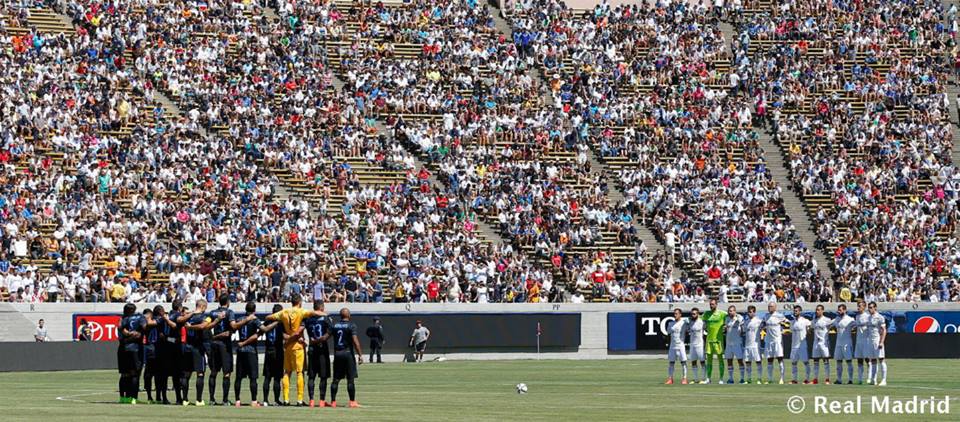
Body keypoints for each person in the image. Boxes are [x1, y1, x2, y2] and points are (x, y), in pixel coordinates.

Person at [265, 295, 327, 406]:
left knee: (287, 372)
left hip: (287, 347)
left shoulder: (283, 312)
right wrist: (325, 314)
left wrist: (280, 321)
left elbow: (268, 317)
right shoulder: (301, 311)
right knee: (299, 372)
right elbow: (316, 313)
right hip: (298, 345)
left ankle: (286, 399)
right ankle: (299, 400)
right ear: (299, 302)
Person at [208, 295, 252, 405]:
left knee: (213, 372)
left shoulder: (212, 312)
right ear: (227, 302)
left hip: (214, 344)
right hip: (224, 345)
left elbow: (206, 325)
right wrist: (246, 320)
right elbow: (234, 326)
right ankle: (225, 400)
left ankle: (212, 399)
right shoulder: (229, 312)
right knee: (226, 373)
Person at [184, 299, 224, 405]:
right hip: (197, 348)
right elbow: (203, 327)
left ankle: (185, 400)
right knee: (200, 373)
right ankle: (198, 400)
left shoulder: (188, 316)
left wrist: (216, 321)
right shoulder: (204, 317)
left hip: (187, 347)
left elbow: (205, 327)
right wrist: (216, 321)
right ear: (203, 307)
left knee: (186, 374)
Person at [235, 301, 270, 407]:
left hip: (240, 351)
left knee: (239, 377)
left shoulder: (240, 319)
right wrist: (273, 322)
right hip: (250, 350)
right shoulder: (254, 319)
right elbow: (264, 329)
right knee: (253, 377)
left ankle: (237, 400)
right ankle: (254, 400)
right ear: (254, 310)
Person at [118, 303, 154, 403]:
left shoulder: (123, 319)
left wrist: (128, 333)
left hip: (123, 348)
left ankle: (124, 398)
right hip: (135, 349)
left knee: (125, 374)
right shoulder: (140, 317)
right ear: (133, 310)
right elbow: (144, 327)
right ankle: (133, 398)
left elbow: (120, 328)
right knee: (135, 374)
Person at [330, 307, 363, 408]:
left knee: (335, 379)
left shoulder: (334, 325)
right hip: (347, 353)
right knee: (350, 379)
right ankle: (352, 402)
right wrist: (360, 355)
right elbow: (355, 341)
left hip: (338, 353)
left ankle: (333, 402)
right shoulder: (351, 325)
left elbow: (326, 336)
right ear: (349, 315)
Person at [305, 301, 332, 407]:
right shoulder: (325, 318)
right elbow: (330, 331)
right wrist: (321, 339)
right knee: (323, 376)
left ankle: (311, 400)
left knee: (311, 376)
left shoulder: (308, 319)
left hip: (312, 348)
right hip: (322, 348)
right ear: (321, 308)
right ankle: (321, 400)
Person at [262, 304, 284, 406]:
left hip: (268, 350)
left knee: (267, 377)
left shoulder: (267, 321)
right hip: (278, 350)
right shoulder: (281, 322)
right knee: (277, 377)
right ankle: (276, 400)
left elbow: (261, 331)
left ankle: (265, 400)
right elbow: (285, 335)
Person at [701, 299, 726, 384]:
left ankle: (721, 379)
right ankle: (708, 378)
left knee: (720, 360)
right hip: (709, 340)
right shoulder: (706, 314)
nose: (711, 306)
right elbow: (699, 320)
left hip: (718, 340)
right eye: (710, 304)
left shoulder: (722, 314)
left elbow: (734, 315)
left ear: (716, 304)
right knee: (709, 360)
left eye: (713, 304)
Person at [831, 304, 856, 384]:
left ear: (845, 310)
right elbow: (829, 324)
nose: (839, 311)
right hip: (838, 344)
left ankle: (850, 379)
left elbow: (857, 326)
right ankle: (839, 379)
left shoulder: (850, 319)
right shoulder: (836, 319)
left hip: (847, 344)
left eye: (840, 310)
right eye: (838, 310)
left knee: (849, 362)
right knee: (838, 362)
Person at [141, 307, 162, 403]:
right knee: (153, 374)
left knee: (152, 374)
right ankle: (154, 396)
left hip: (154, 348)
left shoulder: (157, 321)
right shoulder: (152, 321)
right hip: (153, 348)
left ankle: (154, 396)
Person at [762, 302, 786, 384]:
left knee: (780, 359)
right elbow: (763, 324)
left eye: (771, 306)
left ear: (775, 307)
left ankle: (782, 378)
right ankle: (770, 379)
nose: (769, 308)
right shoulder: (766, 316)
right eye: (768, 306)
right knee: (769, 360)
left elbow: (787, 323)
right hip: (769, 340)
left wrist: (784, 330)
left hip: (777, 340)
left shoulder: (779, 315)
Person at [866, 302, 888, 386]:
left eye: (871, 307)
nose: (870, 309)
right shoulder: (868, 318)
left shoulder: (880, 317)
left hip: (877, 340)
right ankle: (873, 379)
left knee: (881, 359)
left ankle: (884, 380)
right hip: (870, 341)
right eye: (869, 307)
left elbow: (884, 330)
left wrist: (881, 342)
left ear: (875, 308)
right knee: (873, 360)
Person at [664, 308, 688, 385]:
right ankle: (670, 378)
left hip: (680, 345)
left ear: (680, 314)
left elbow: (687, 331)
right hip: (672, 346)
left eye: (676, 313)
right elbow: (668, 334)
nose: (675, 315)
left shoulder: (684, 323)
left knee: (683, 362)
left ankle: (684, 378)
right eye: (674, 313)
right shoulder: (670, 324)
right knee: (671, 363)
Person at [789, 305, 812, 384]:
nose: (795, 312)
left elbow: (809, 330)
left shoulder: (805, 321)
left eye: (796, 311)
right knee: (794, 363)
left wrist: (808, 330)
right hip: (794, 346)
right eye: (794, 311)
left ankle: (807, 379)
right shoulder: (792, 322)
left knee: (806, 362)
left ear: (800, 312)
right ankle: (794, 380)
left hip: (802, 345)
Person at [722, 305, 745, 384]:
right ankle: (730, 379)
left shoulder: (739, 318)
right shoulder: (727, 318)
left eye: (732, 311)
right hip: (728, 344)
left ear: (735, 311)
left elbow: (742, 329)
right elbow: (725, 330)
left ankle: (742, 378)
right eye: (729, 311)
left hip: (737, 343)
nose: (730, 312)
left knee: (740, 361)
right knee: (729, 361)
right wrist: (725, 329)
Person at [810, 305, 832, 384]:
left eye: (819, 310)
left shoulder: (827, 320)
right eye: (816, 310)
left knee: (826, 361)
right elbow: (811, 329)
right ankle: (815, 379)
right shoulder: (814, 321)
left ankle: (827, 379)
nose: (817, 311)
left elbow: (830, 328)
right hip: (816, 343)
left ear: (822, 311)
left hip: (824, 343)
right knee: (815, 361)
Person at [742, 305, 763, 384]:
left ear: (754, 312)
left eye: (751, 312)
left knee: (758, 361)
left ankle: (759, 378)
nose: (749, 313)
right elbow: (743, 331)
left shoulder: (758, 321)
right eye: (748, 312)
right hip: (747, 345)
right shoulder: (746, 321)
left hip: (755, 345)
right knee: (748, 362)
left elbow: (763, 327)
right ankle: (749, 378)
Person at [853, 300, 870, 384]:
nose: (858, 307)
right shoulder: (857, 316)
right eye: (858, 306)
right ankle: (860, 378)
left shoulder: (867, 316)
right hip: (858, 340)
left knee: (868, 360)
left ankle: (870, 377)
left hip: (866, 341)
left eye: (860, 306)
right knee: (859, 360)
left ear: (864, 307)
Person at [686, 308, 705, 383]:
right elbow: (687, 331)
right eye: (692, 314)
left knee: (702, 361)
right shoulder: (689, 322)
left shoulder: (701, 322)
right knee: (693, 361)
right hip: (692, 344)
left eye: (694, 314)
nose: (693, 315)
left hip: (700, 344)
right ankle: (695, 378)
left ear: (698, 314)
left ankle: (703, 379)